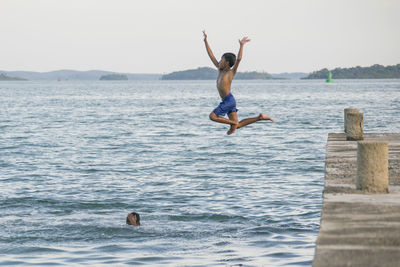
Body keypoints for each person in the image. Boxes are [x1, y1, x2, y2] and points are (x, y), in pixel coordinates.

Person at [203, 30, 274, 135]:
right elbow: (211, 55)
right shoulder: (220, 69)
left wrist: (241, 45)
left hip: (229, 100)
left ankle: (233, 123)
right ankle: (260, 117)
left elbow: (239, 59)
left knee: (212, 117)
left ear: (227, 63)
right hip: (228, 100)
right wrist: (205, 41)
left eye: (222, 60)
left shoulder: (231, 72)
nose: (219, 61)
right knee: (238, 125)